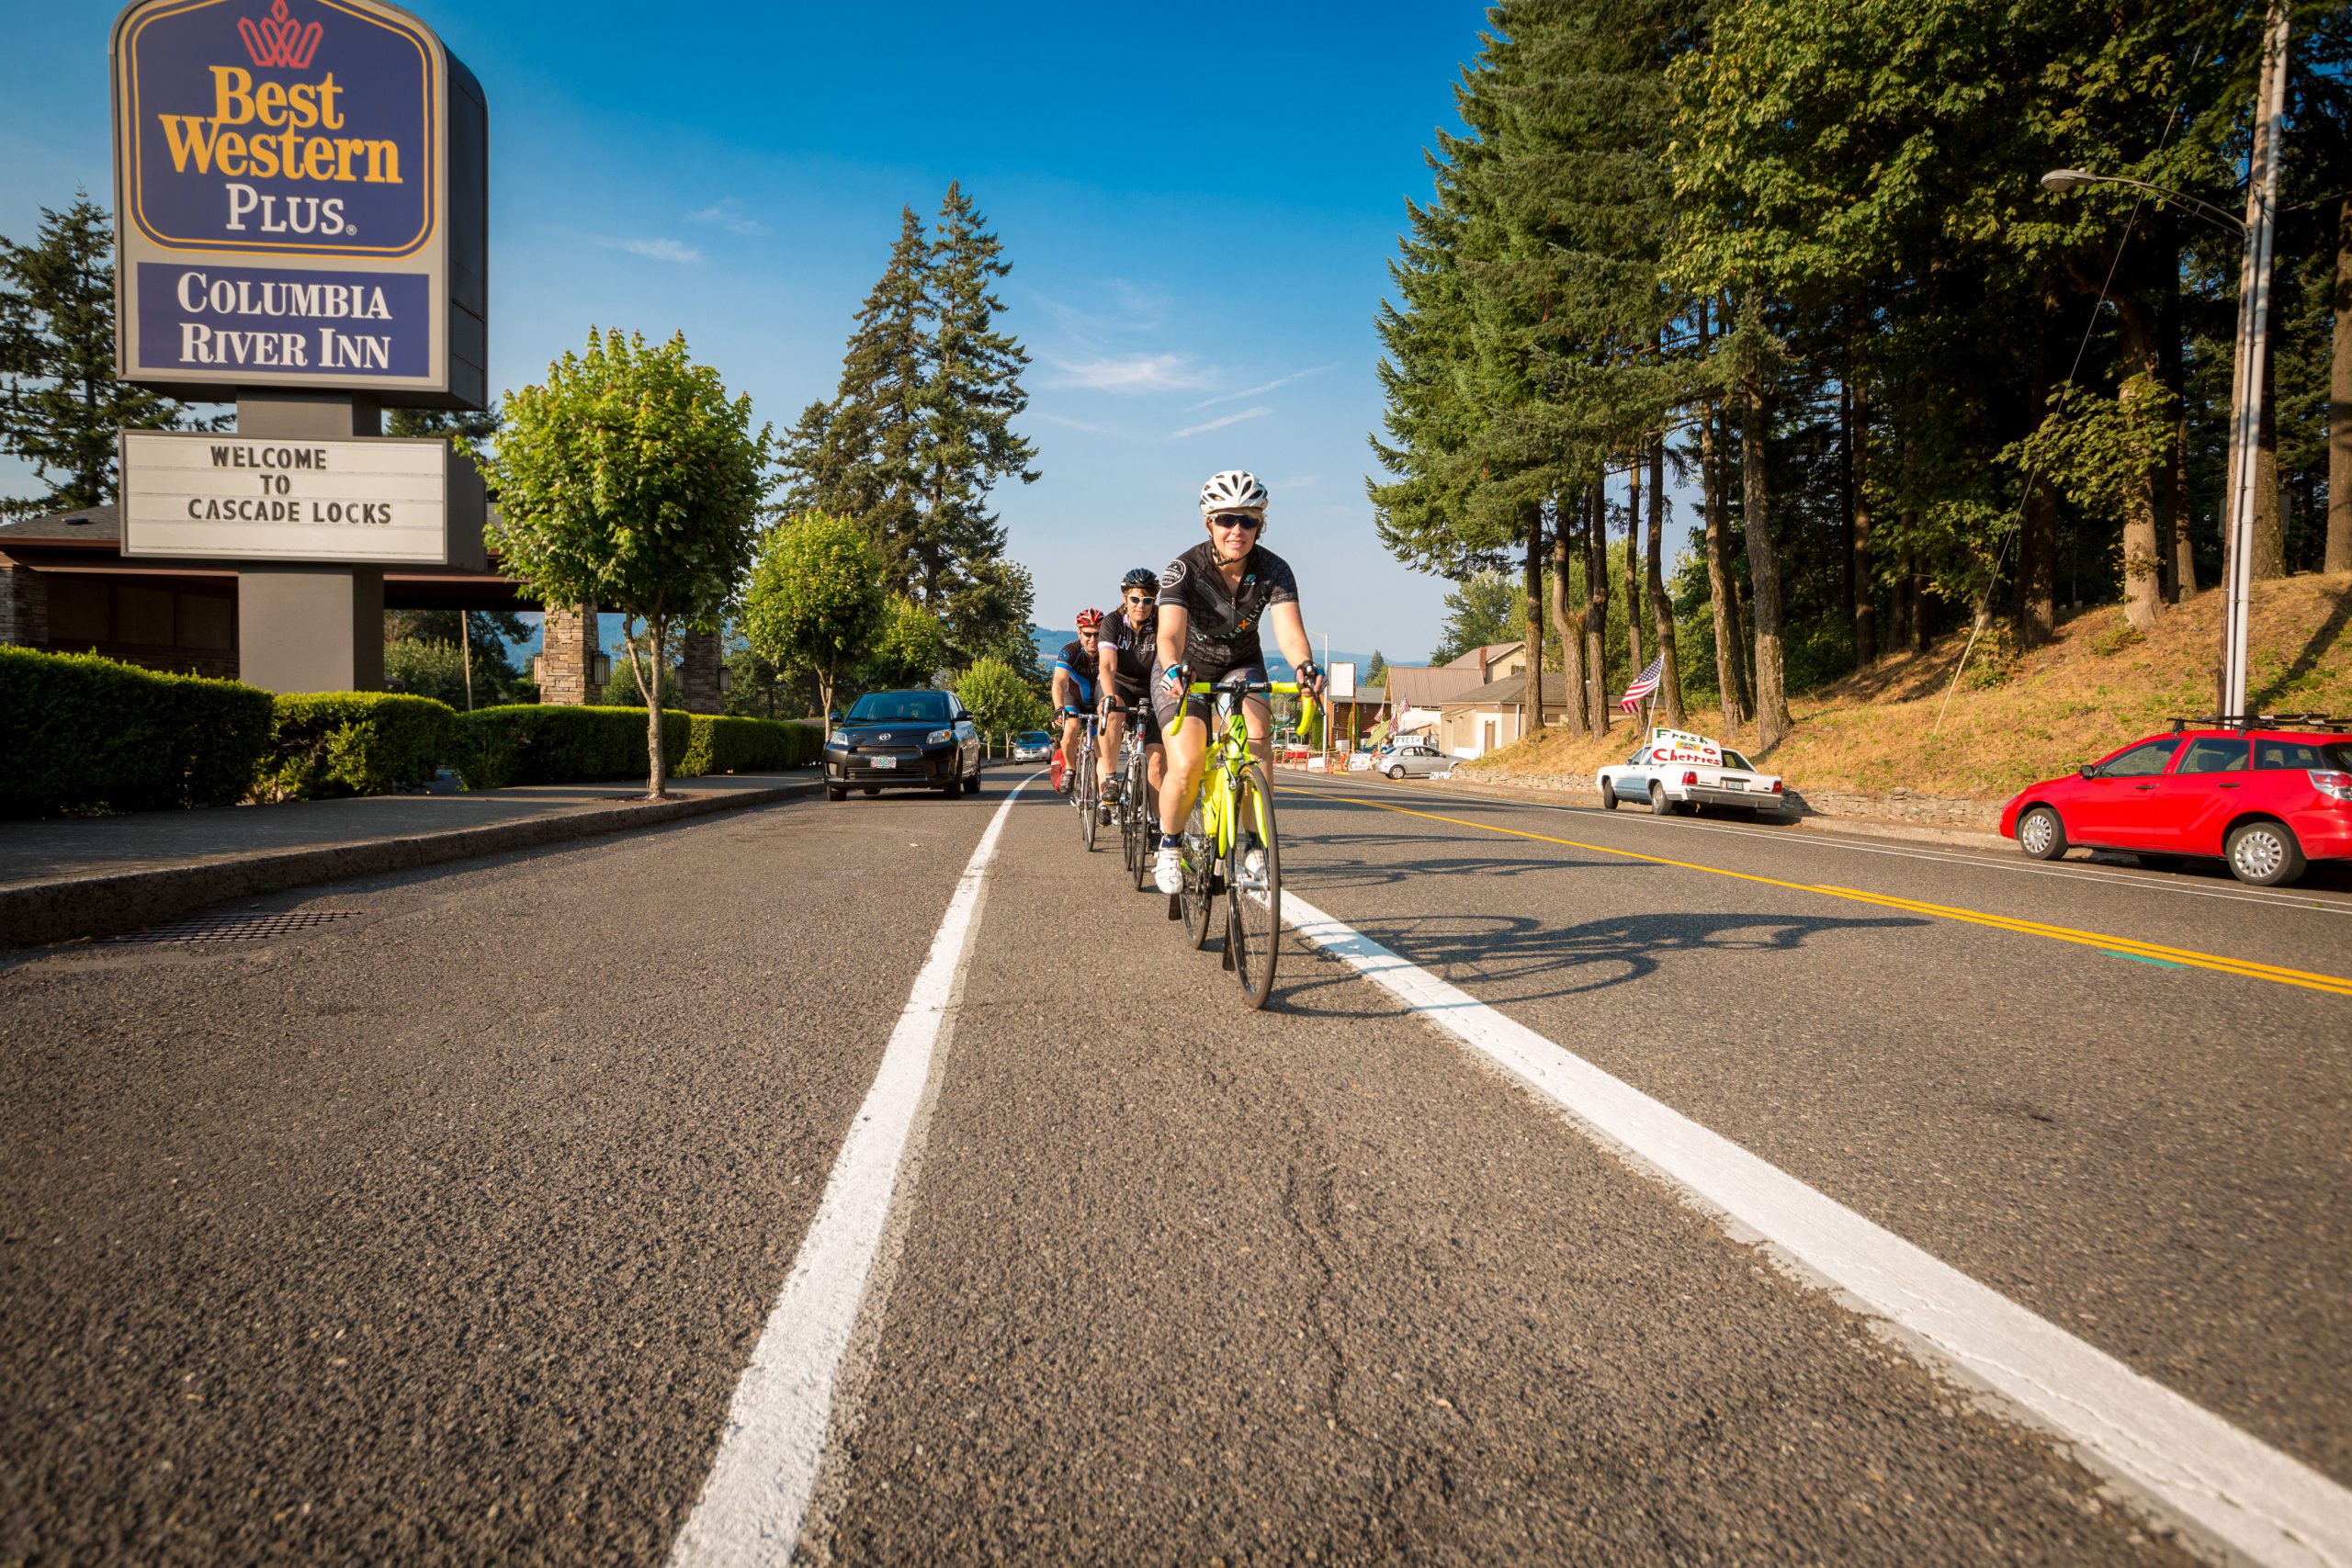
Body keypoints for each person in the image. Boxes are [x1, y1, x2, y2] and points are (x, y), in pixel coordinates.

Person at [1153, 470, 1323, 895]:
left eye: (1248, 520)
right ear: (1209, 522)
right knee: (1188, 763)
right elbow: (1168, 635)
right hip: (1185, 669)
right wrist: (1173, 666)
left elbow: (1288, 632)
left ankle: (1255, 844)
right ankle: (1170, 846)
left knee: (1258, 737)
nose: (1237, 530)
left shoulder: (1275, 570)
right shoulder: (1184, 569)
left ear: (1260, 525)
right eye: (1227, 519)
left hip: (1241, 664)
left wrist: (1304, 667)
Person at [1096, 568, 1166, 828]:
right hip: (1119, 683)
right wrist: (1109, 695)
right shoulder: (1113, 622)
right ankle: (1111, 777)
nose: (1141, 605)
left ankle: (1156, 823)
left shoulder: (1161, 620)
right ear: (1125, 597)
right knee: (1112, 709)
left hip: (1153, 687)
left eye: (1148, 600)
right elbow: (1107, 666)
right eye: (1135, 599)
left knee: (1157, 760)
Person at [1050, 609, 1103, 793]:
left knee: (1101, 740)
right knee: (1071, 727)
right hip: (1075, 699)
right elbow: (1059, 681)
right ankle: (1070, 770)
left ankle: (1104, 795)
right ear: (1079, 632)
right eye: (1088, 634)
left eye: (1098, 634)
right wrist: (1059, 708)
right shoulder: (1070, 651)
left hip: (1099, 701)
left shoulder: (1109, 651)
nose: (1093, 640)